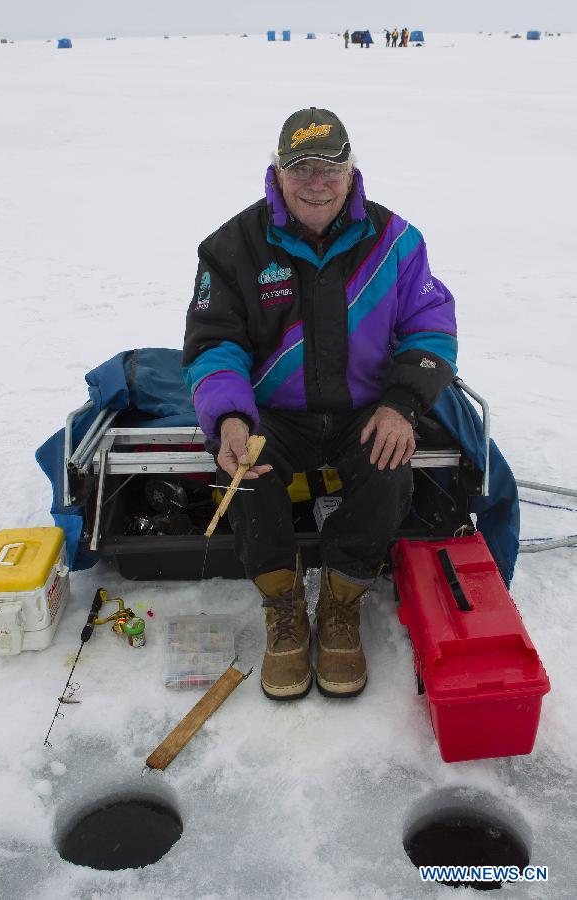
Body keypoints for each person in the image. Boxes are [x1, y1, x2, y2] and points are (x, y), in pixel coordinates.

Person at [183, 108, 457, 702]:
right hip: (273, 415)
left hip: (364, 410)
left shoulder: (397, 242)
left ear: (351, 170)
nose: (315, 181)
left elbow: (430, 331)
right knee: (245, 473)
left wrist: (403, 403)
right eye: (300, 167)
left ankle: (340, 603)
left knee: (389, 467)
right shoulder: (232, 246)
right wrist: (230, 417)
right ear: (277, 173)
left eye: (329, 167)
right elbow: (212, 344)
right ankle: (283, 610)